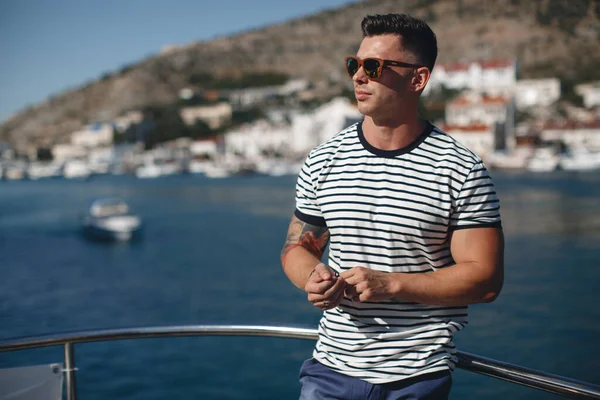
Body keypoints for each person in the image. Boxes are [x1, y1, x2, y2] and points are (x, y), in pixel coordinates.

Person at [280, 13, 504, 400]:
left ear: (418, 79)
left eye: (374, 66)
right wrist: (312, 279)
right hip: (329, 372)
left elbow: (485, 281)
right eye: (355, 64)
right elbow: (298, 247)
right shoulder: (323, 160)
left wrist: (390, 284)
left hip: (417, 379)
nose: (358, 76)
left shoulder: (460, 168)